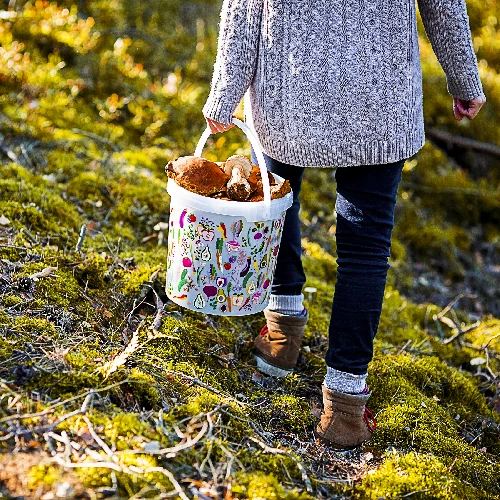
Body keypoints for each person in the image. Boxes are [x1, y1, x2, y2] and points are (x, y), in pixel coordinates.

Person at [202, 0, 486, 449]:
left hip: (289, 81)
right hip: (380, 92)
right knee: (365, 248)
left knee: (277, 204)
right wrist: (463, 77)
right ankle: (345, 406)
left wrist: (224, 90)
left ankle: (281, 332)